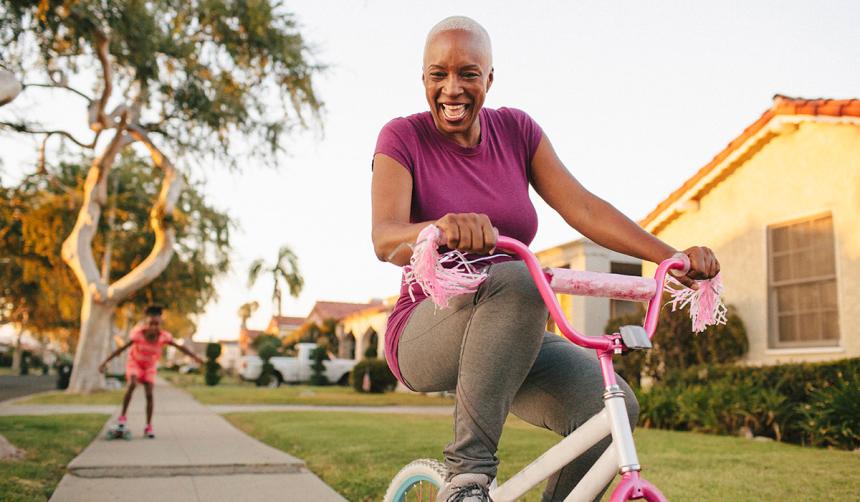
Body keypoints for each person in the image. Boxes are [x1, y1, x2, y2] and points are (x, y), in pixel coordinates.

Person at [370, 16, 720, 502]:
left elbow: (584, 207)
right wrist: (438, 228)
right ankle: (468, 479)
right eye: (438, 75)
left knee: (608, 412)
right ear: (424, 78)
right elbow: (385, 239)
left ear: (489, 78)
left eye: (468, 74)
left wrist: (673, 257)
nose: (453, 89)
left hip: (512, 324)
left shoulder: (516, 131)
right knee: (520, 278)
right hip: (426, 329)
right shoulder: (402, 137)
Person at [99, 305, 204, 438]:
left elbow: (181, 347)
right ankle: (122, 417)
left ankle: (148, 426)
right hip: (135, 363)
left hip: (149, 367)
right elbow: (121, 349)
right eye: (151, 324)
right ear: (146, 323)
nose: (154, 327)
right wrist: (105, 362)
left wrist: (195, 357)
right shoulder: (138, 334)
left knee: (149, 394)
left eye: (157, 324)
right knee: (132, 384)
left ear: (160, 323)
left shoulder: (164, 337)